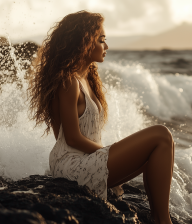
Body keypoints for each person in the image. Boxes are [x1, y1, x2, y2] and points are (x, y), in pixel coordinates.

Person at [28, 10, 174, 224]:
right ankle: (163, 220)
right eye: (101, 40)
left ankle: (158, 217)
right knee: (161, 134)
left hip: (83, 160)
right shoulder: (68, 82)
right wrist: (108, 153)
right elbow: (71, 139)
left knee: (157, 153)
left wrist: (109, 154)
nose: (106, 46)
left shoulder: (85, 79)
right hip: (71, 166)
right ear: (84, 42)